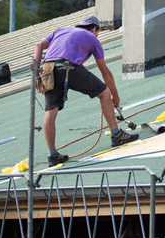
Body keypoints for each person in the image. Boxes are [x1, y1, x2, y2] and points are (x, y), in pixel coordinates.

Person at [33, 14, 138, 166]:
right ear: (94, 29)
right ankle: (116, 135)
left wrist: (37, 73)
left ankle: (52, 154)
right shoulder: (92, 38)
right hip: (68, 66)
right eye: (98, 32)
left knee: (51, 110)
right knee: (104, 93)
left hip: (48, 68)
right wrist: (115, 96)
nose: (97, 35)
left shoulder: (61, 30)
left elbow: (38, 46)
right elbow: (105, 72)